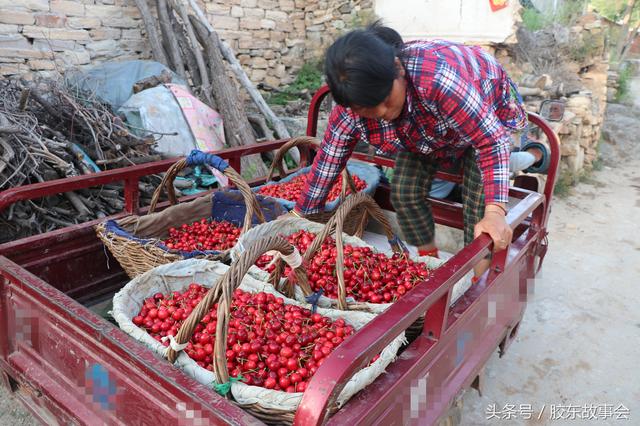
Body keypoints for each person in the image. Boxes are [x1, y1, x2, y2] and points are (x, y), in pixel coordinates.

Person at [289, 22, 529, 279]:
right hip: (425, 130)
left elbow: (490, 141)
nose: (382, 113)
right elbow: (328, 162)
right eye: (368, 109)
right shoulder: (349, 111)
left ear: (398, 69)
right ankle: (430, 267)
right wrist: (299, 215)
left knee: (478, 209)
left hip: (483, 112)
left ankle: (478, 284)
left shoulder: (438, 81)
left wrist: (495, 213)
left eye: (386, 100)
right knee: (405, 192)